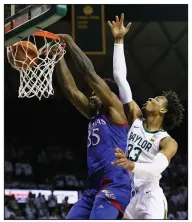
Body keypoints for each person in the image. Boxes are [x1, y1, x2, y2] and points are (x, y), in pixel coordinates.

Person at [108, 13, 185, 219]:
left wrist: (130, 164)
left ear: (163, 110)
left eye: (158, 99)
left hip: (150, 198)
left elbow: (154, 170)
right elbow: (120, 78)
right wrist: (118, 40)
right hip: (128, 195)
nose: (151, 98)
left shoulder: (168, 142)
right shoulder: (135, 116)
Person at [55, 34, 132, 219]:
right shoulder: (94, 114)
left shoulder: (116, 110)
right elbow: (72, 92)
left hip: (114, 184)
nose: (90, 95)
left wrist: (70, 43)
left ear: (108, 95)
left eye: (95, 93)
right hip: (92, 188)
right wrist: (58, 56)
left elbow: (89, 74)